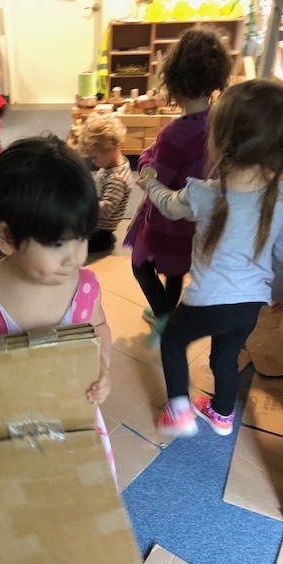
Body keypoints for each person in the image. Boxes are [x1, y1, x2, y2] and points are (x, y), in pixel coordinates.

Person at [0, 134, 116, 526]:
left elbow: (100, 327)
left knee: (76, 510)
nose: (74, 257)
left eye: (82, 238)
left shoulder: (86, 287)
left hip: (74, 423)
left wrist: (102, 364)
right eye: (56, 243)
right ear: (6, 237)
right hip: (6, 431)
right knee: (15, 517)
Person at [136, 78, 283, 438]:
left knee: (173, 339)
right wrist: (279, 293)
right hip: (249, 306)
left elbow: (169, 206)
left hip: (206, 302)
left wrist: (149, 181)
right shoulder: (278, 198)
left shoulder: (202, 193)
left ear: (218, 142)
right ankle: (222, 415)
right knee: (225, 358)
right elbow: (280, 255)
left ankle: (179, 411)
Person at [124, 27, 232, 343]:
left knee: (141, 264)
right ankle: (167, 308)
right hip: (197, 218)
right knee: (175, 268)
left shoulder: (174, 133)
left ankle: (165, 319)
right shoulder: (220, 121)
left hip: (166, 217)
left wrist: (146, 161)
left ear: (173, 80)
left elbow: (156, 178)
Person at [78, 114, 134, 252]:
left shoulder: (117, 178)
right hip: (96, 223)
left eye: (94, 157)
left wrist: (81, 209)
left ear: (109, 148)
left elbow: (105, 211)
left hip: (99, 232)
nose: (93, 162)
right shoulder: (110, 166)